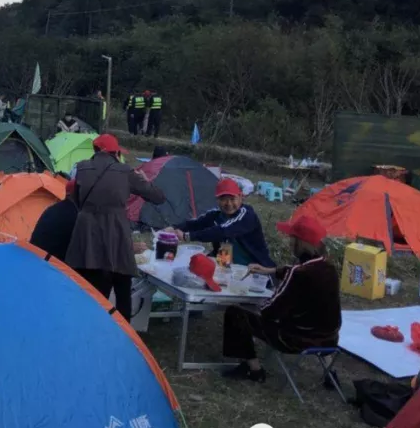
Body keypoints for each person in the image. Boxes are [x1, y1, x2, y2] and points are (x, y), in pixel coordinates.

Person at [221, 214, 341, 382]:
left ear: (298, 242)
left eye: (291, 238)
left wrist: (251, 303)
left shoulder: (298, 274)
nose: (289, 242)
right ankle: (330, 373)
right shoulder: (329, 269)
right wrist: (269, 270)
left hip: (296, 340)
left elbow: (271, 311)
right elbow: (295, 269)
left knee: (236, 312)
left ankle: (253, 370)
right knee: (318, 316)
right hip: (329, 340)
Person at [63, 134, 166, 320]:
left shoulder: (82, 168)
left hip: (85, 233)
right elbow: (157, 197)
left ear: (95, 151)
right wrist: (145, 180)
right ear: (115, 152)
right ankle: (123, 330)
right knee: (122, 284)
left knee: (90, 286)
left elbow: (77, 201)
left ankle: (89, 323)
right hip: (116, 232)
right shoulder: (125, 171)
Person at [163, 179, 275, 269]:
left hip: (255, 270)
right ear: (217, 200)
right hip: (227, 263)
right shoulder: (216, 214)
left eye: (232, 199)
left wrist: (187, 236)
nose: (228, 204)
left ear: (241, 197)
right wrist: (173, 227)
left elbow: (223, 231)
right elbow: (196, 223)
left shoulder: (247, 215)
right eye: (223, 199)